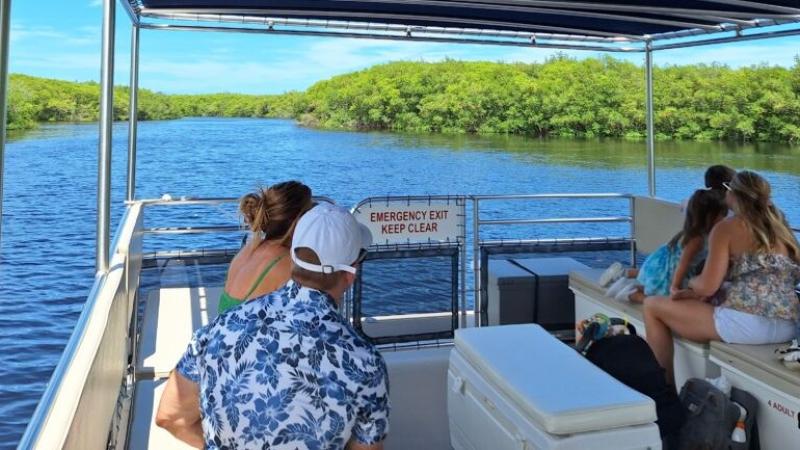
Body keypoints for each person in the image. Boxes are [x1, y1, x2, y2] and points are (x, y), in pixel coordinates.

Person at [156, 202, 389, 449]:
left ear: (293, 256)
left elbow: (170, 417)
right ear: (351, 273)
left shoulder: (218, 330)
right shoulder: (365, 363)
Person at [643, 171, 800, 386]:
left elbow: (707, 287)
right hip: (788, 325)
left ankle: (665, 389)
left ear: (733, 195)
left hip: (746, 326)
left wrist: (690, 283)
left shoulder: (726, 228)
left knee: (652, 306)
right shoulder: (780, 224)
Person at [602, 189, 728, 303]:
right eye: (722, 215)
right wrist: (675, 287)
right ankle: (630, 294)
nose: (724, 219)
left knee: (653, 288)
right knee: (663, 298)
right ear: (709, 216)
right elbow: (683, 264)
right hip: (672, 273)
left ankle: (626, 284)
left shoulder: (696, 233)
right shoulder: (697, 240)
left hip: (666, 266)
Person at [218, 181, 313, 314]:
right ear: (298, 220)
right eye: (311, 214)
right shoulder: (287, 263)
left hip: (223, 332)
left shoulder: (250, 248)